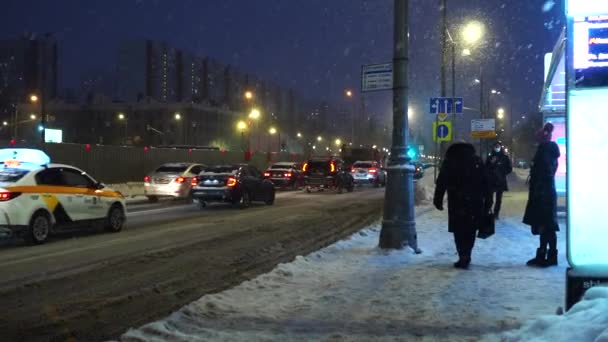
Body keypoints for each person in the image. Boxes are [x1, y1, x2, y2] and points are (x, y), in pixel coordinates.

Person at [434, 143, 493, 269]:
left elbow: (441, 181)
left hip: (456, 201)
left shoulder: (450, 161)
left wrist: (438, 199)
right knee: (471, 229)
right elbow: (486, 181)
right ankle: (467, 253)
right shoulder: (476, 160)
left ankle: (462, 255)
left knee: (458, 229)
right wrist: (488, 200)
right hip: (475, 201)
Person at [523, 122, 560, 267]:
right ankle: (547, 255)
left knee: (546, 225)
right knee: (546, 225)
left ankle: (547, 256)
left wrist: (537, 190)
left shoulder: (544, 151)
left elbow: (543, 173)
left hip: (543, 193)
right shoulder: (548, 151)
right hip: (546, 191)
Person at [486, 141, 513, 220]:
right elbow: (486, 167)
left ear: (501, 147)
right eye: (495, 146)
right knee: (489, 198)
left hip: (500, 180)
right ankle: (488, 211)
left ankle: (496, 213)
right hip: (491, 180)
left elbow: (509, 168)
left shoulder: (504, 157)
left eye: (498, 146)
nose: (497, 147)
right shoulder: (490, 156)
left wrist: (502, 173)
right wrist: (491, 164)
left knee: (499, 198)